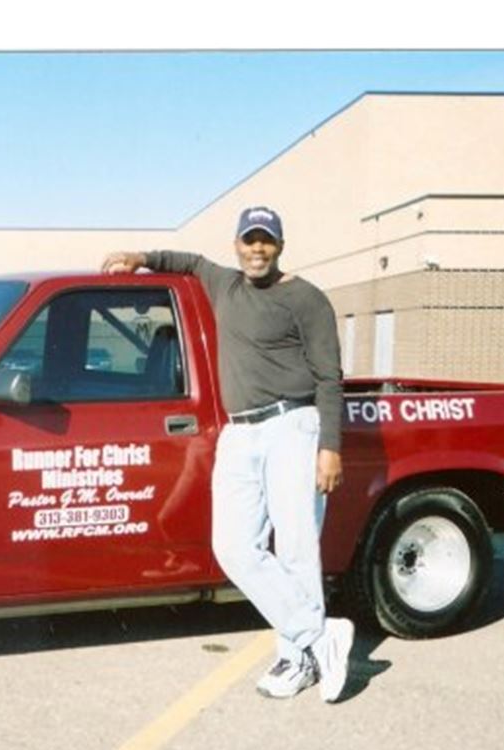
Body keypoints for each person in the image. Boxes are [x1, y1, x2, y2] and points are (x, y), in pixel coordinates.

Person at [102, 206, 354, 703]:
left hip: (292, 427)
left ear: (279, 246)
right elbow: (188, 259)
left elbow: (330, 378)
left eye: (266, 241)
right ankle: (321, 634)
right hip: (240, 433)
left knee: (297, 550)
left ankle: (297, 658)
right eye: (249, 240)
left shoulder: (306, 299)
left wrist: (330, 448)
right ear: (236, 245)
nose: (257, 249)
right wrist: (140, 257)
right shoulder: (223, 283)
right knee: (234, 547)